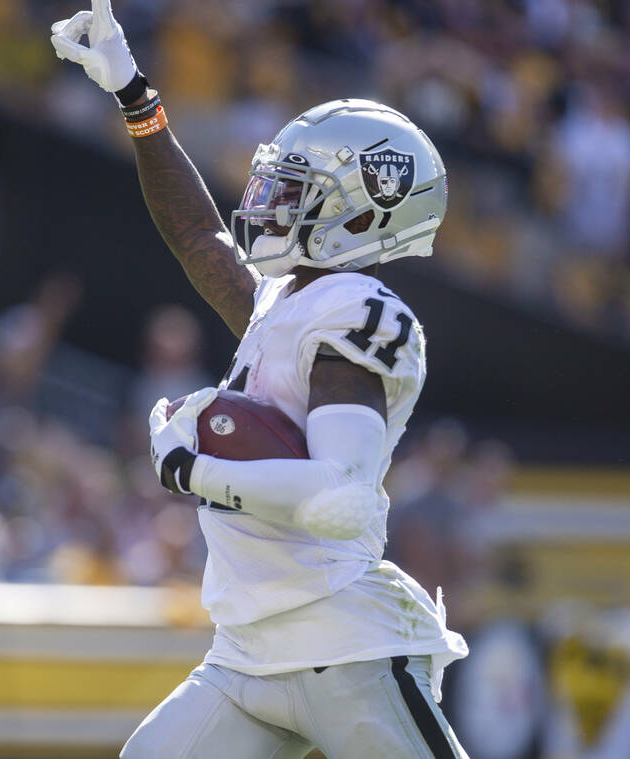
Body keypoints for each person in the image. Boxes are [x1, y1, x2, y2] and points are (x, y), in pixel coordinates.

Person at [51, 3, 469, 757]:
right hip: (247, 648)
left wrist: (197, 468)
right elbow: (197, 235)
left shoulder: (356, 309)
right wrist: (134, 95)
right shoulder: (288, 299)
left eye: (294, 186)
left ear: (358, 211)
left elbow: (339, 497)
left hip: (341, 640)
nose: (268, 199)